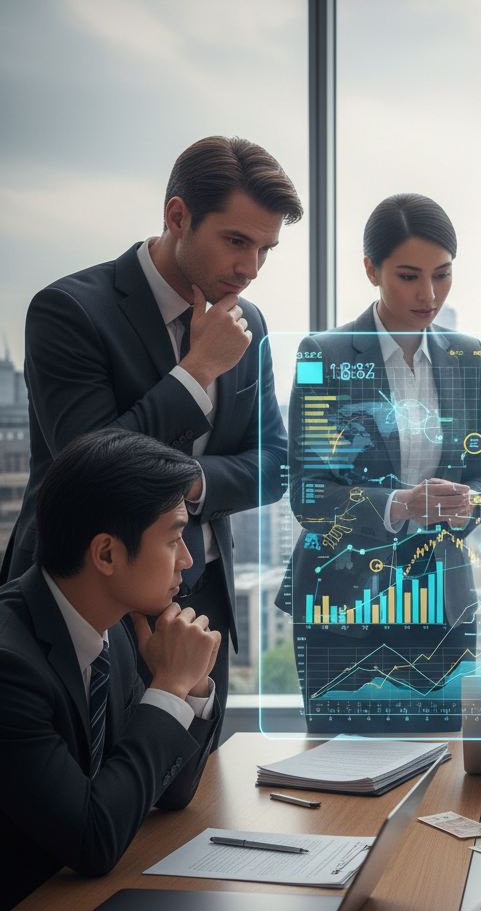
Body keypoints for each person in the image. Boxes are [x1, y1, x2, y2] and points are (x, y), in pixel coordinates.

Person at [4, 137, 300, 740]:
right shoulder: (70, 311)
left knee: (188, 794)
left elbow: (274, 465)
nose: (250, 268)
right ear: (177, 216)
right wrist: (197, 373)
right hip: (83, 598)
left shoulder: (251, 323)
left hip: (198, 601)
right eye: (236, 241)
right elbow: (89, 466)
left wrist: (189, 483)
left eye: (265, 249)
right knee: (89, 807)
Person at [280, 194, 481, 731]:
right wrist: (401, 504)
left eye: (442, 275)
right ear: (371, 270)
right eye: (408, 276)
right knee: (339, 780)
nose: (429, 295)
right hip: (342, 606)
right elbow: (308, 494)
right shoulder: (321, 357)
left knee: (442, 778)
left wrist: (470, 502)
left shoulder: (468, 357)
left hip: (439, 605)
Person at [0, 428, 223, 911]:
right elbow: (92, 841)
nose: (187, 558)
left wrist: (190, 686)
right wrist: (166, 688)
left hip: (74, 904)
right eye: (173, 537)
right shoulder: (10, 667)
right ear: (106, 554)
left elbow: (171, 791)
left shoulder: (117, 629)